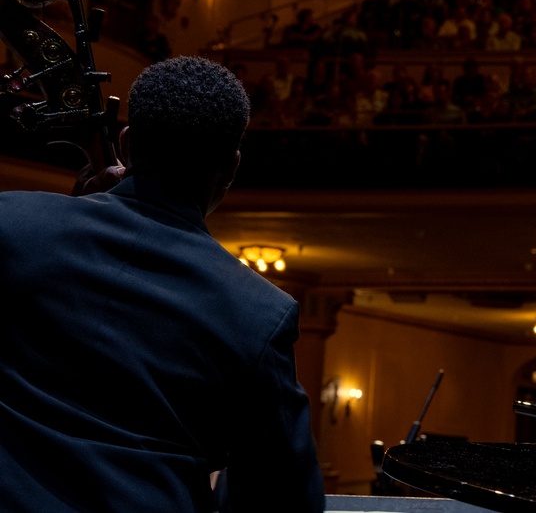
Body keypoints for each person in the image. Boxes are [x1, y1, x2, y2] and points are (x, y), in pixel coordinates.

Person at [0, 56, 324, 512]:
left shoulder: (11, 224)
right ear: (230, 168)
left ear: (128, 145)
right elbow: (282, 497)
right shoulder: (258, 314)